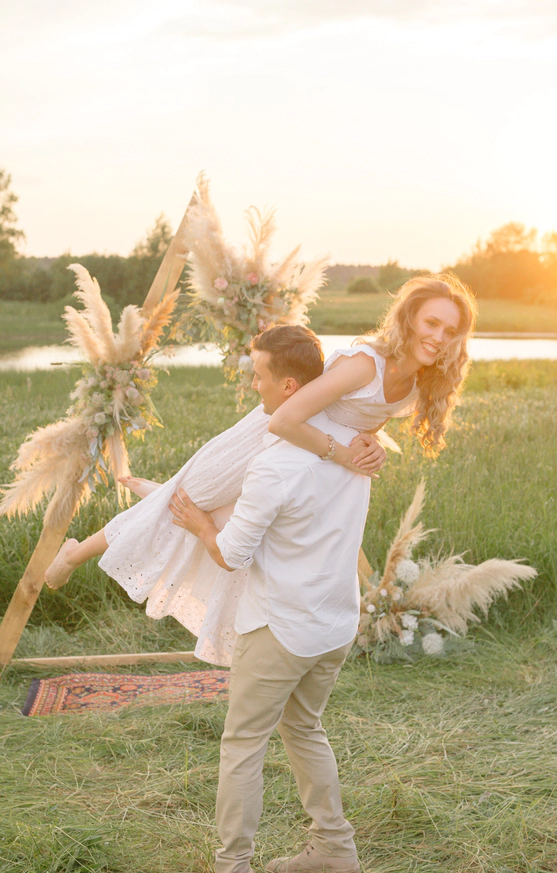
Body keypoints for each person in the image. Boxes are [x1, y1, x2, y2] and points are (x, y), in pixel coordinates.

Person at [45, 274, 476, 667]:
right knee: (177, 503)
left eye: (450, 330)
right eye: (431, 323)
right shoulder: (366, 363)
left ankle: (244, 637)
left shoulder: (416, 383)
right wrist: (343, 455)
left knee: (228, 528)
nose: (439, 337)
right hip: (259, 442)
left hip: (302, 460)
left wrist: (372, 446)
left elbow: (359, 423)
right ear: (408, 320)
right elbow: (283, 420)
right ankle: (73, 553)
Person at [168, 326, 372, 873]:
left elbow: (231, 555)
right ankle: (335, 850)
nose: (252, 385)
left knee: (243, 744)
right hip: (336, 623)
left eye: (258, 375)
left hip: (281, 628)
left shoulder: (275, 465)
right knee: (304, 728)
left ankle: (232, 865)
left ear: (288, 386)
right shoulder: (354, 444)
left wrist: (199, 524)